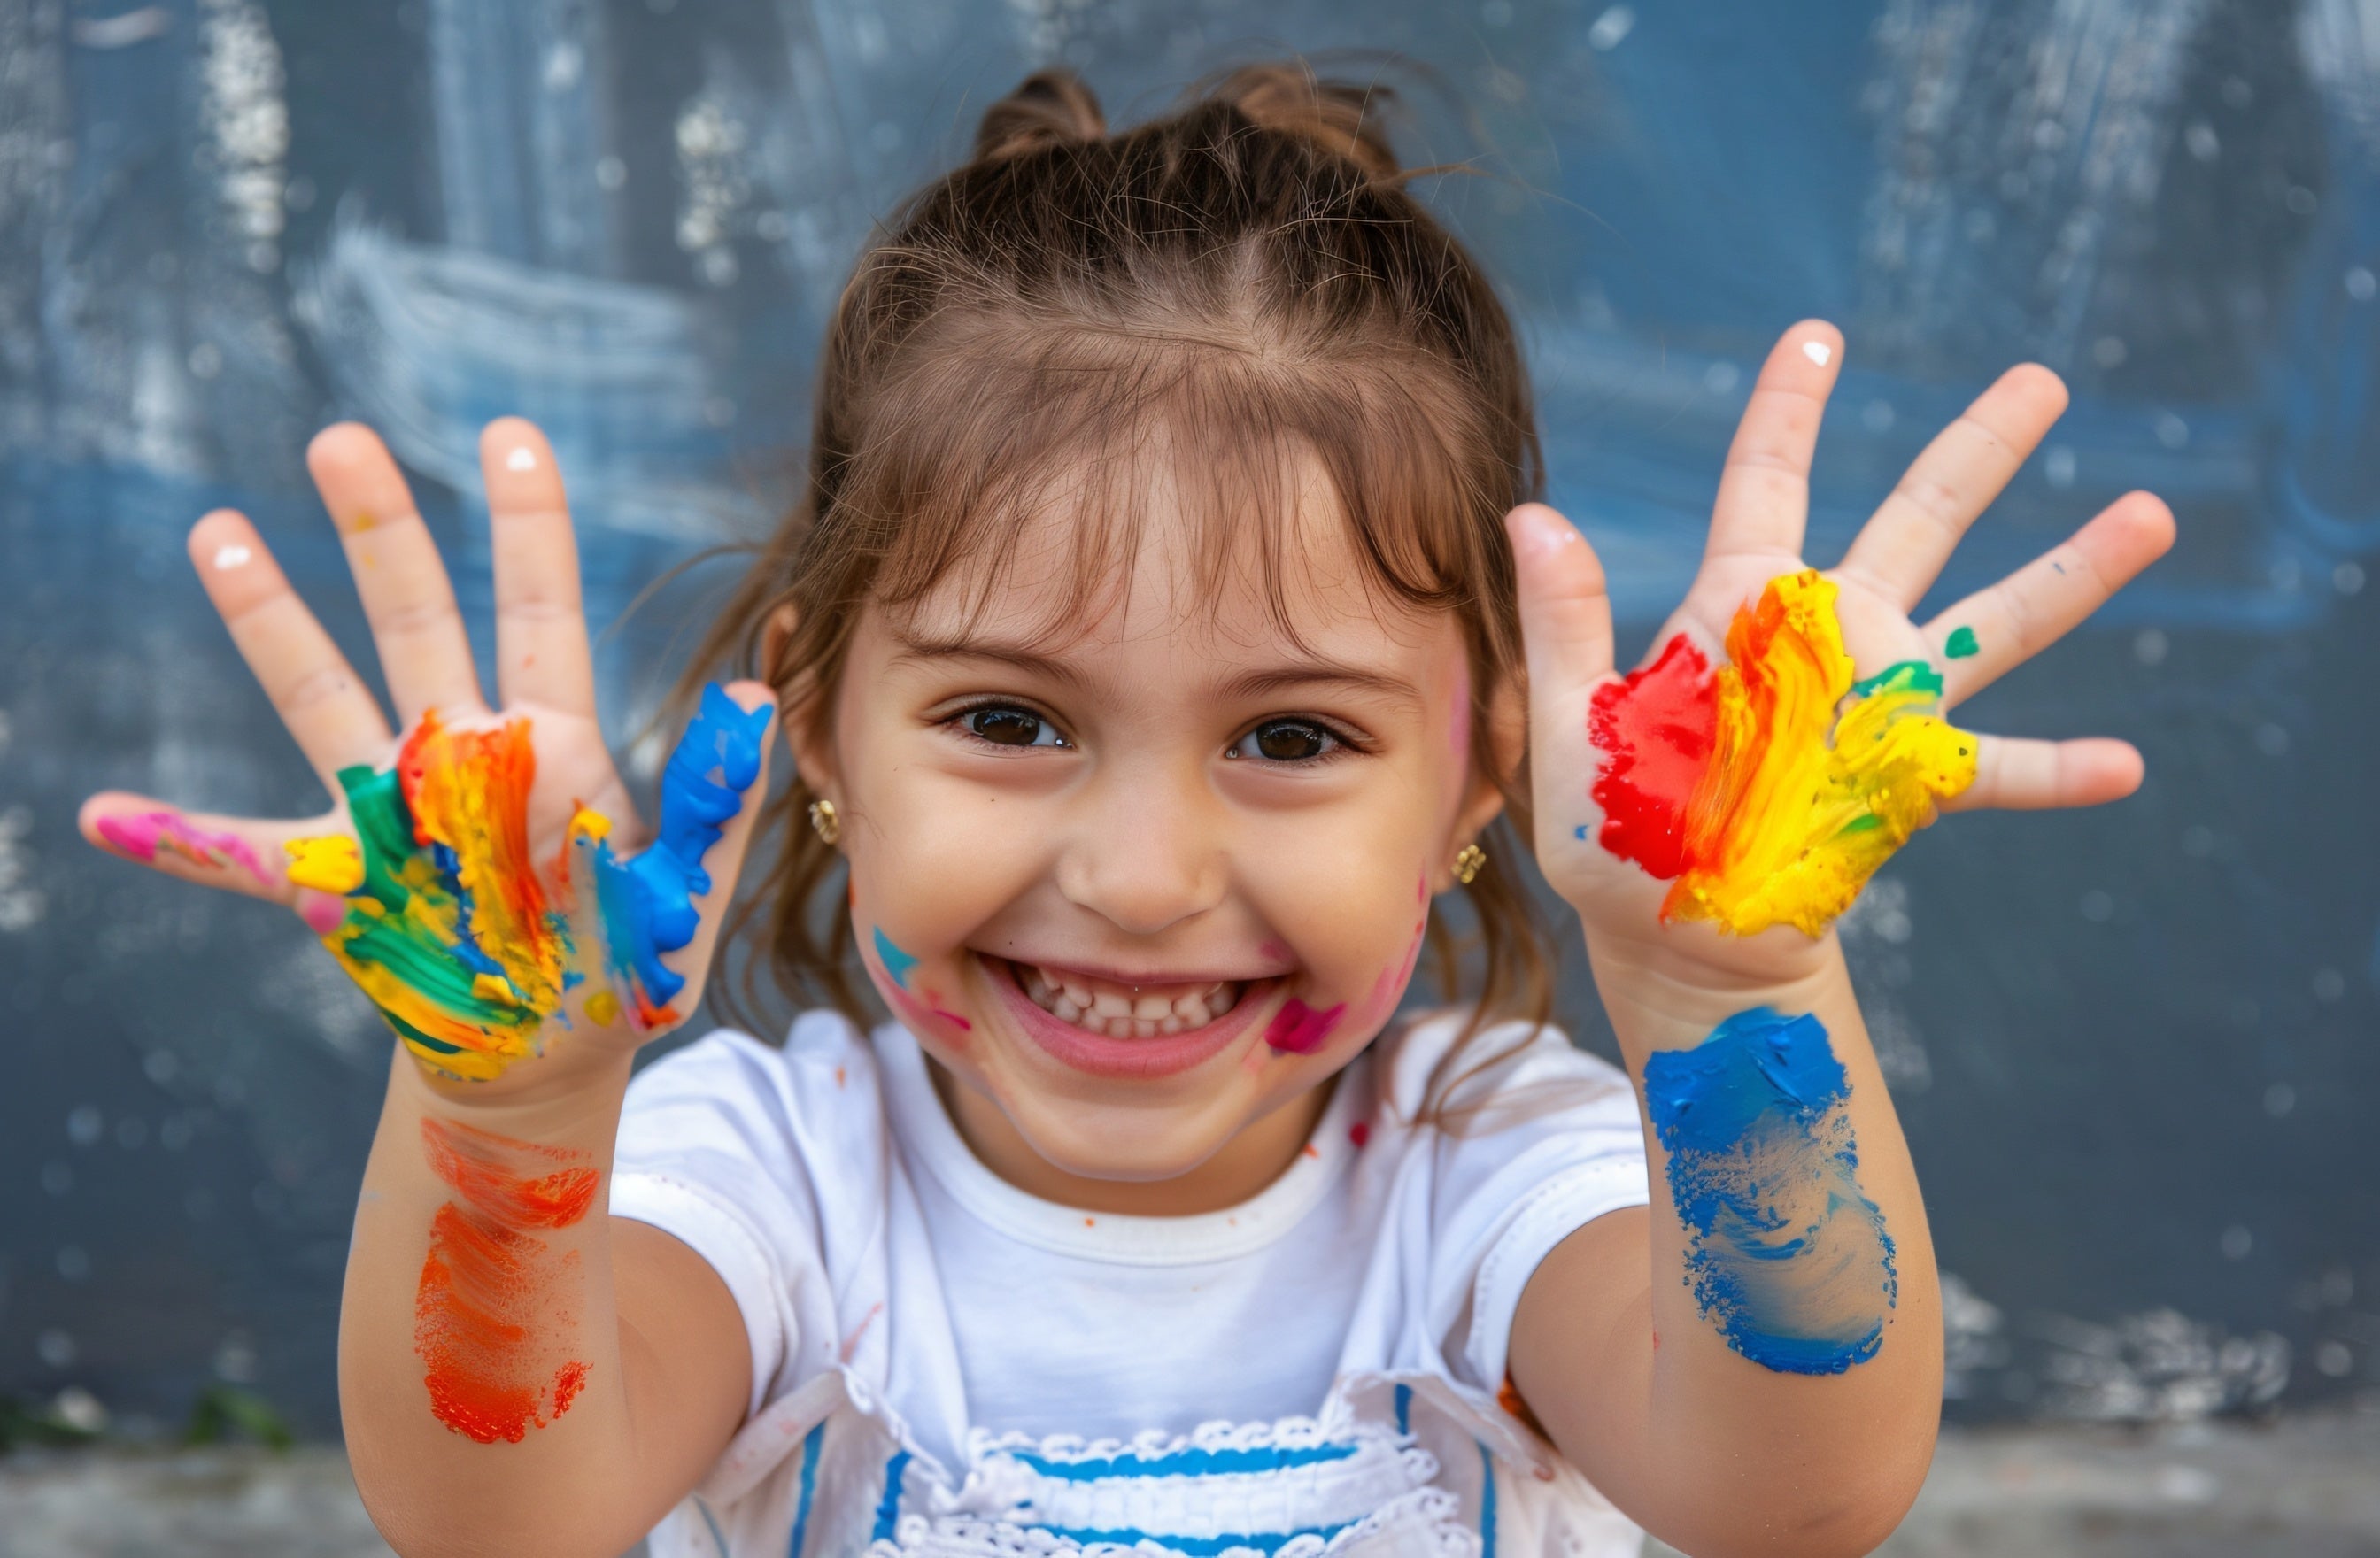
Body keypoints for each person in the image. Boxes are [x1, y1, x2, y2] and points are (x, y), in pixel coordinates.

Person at [80, 63, 2175, 1558]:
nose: (1144, 877)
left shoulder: (1488, 1162)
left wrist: (1733, 984)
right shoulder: (772, 1176)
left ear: (1482, 774)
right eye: (1009, 717)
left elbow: (1792, 1498)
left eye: (1291, 738)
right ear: (814, 723)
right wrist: (516, 1125)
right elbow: (494, 1513)